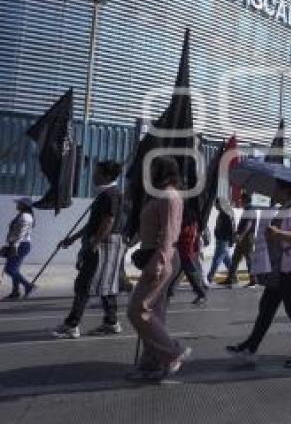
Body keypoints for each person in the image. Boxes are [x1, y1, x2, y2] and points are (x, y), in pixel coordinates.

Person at [226, 179, 291, 367]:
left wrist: (277, 233)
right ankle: (251, 346)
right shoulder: (285, 209)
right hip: (280, 268)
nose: (274, 191)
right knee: (266, 306)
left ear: (286, 190)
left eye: (277, 188)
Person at [126, 156, 192, 380]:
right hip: (155, 256)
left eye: (152, 169)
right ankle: (152, 363)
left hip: (161, 258)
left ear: (162, 171)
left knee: (138, 309)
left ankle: (173, 352)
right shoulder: (160, 195)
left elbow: (170, 233)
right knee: (154, 313)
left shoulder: (170, 196)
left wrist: (159, 262)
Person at [52, 161, 125, 338]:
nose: (93, 176)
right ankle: (111, 321)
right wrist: (73, 238)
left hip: (103, 245)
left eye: (97, 173)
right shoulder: (108, 194)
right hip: (104, 243)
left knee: (84, 284)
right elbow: (94, 224)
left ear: (107, 176)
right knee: (106, 284)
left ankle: (72, 325)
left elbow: (108, 221)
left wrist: (95, 243)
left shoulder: (110, 195)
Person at [167, 207, 207, 305]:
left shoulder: (188, 226)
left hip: (187, 253)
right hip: (184, 252)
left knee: (190, 274)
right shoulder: (190, 224)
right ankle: (168, 293)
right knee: (177, 273)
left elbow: (186, 239)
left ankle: (201, 294)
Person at [3, 197, 36, 300]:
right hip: (17, 244)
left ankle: (28, 286)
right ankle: (15, 291)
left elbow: (21, 234)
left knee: (10, 269)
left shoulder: (26, 217)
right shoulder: (22, 215)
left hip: (21, 245)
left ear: (24, 205)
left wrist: (15, 246)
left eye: (19, 203)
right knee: (14, 269)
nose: (17, 205)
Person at [227, 195, 258, 288]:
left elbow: (248, 224)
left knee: (249, 259)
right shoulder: (247, 209)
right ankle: (231, 278)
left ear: (245, 200)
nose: (240, 201)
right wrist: (237, 233)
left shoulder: (250, 210)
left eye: (241, 200)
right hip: (243, 238)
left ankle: (253, 280)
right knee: (235, 258)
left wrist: (241, 235)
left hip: (247, 238)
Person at [207, 199, 234, 284]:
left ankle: (210, 276)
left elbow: (232, 228)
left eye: (216, 204)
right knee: (226, 260)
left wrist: (231, 240)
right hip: (221, 239)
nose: (215, 206)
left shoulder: (227, 213)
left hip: (224, 239)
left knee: (217, 259)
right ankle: (234, 275)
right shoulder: (222, 213)